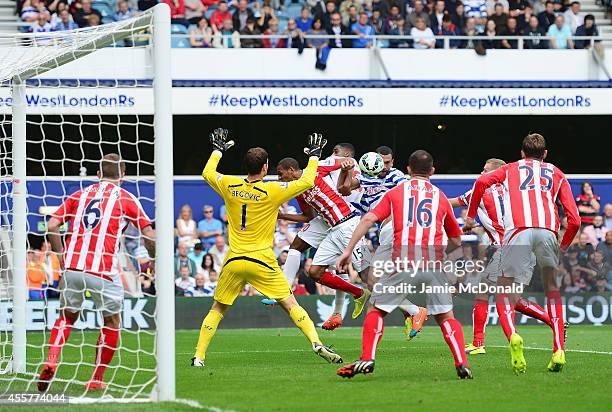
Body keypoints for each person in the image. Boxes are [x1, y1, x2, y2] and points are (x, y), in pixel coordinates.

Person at [192, 129, 342, 367]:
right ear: (265, 168)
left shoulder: (229, 184)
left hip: (233, 260)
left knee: (218, 308)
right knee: (290, 304)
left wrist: (217, 151)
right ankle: (316, 343)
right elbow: (306, 181)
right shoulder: (272, 190)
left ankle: (199, 357)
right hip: (261, 260)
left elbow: (207, 172)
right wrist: (314, 156)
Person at [335, 150, 473, 380]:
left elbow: (368, 219)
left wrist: (348, 250)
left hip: (403, 262)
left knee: (376, 309)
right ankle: (462, 363)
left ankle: (368, 357)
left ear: (408, 170)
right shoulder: (440, 197)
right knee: (446, 317)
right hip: (434, 265)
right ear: (432, 171)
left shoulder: (397, 192)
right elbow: (456, 241)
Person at [37, 154, 156, 392]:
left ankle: (52, 359)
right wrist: (154, 259)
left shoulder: (79, 195)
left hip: (73, 266)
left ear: (98, 174)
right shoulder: (127, 198)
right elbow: (149, 235)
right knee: (111, 322)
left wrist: (61, 256)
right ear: (123, 175)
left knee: (66, 317)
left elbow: (51, 225)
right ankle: (96, 378)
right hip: (103, 269)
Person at [464, 133, 580, 373]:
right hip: (548, 231)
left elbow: (480, 184)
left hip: (517, 231)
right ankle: (559, 349)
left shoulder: (510, 169)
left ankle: (514, 337)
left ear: (521, 153)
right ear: (545, 154)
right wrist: (564, 246)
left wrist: (471, 215)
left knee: (504, 293)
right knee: (552, 291)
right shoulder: (556, 173)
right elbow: (575, 220)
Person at [449, 158, 556, 355]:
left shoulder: (479, 191)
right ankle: (554, 321)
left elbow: (452, 203)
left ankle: (482, 343)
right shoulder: (515, 192)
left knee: (486, 292)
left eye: (485, 170)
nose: (481, 174)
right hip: (525, 247)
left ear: (494, 174)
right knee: (512, 299)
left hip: (505, 248)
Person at [274, 144, 370, 330]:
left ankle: (412, 310)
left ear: (291, 170)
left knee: (368, 275)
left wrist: (347, 163)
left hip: (349, 223)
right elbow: (308, 216)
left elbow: (342, 162)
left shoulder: (316, 170)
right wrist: (282, 216)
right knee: (315, 272)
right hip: (333, 228)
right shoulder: (298, 190)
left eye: (280, 173)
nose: (280, 178)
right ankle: (358, 294)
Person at [337, 145, 428, 339]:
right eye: (381, 162)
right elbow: (344, 189)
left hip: (396, 228)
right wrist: (345, 171)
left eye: (388, 162)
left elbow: (415, 190)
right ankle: (411, 310)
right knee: (375, 282)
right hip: (383, 232)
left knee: (375, 281)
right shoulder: (364, 178)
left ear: (393, 162)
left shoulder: (397, 176)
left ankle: (414, 309)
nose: (384, 166)